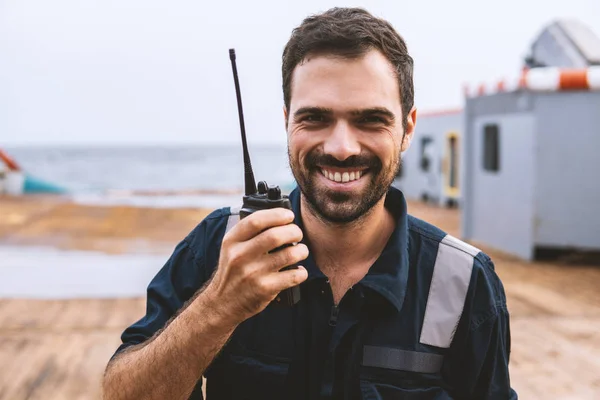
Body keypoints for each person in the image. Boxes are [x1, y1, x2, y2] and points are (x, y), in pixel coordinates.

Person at [102, 7, 517, 400]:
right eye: (315, 118)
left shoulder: (463, 282)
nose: (340, 148)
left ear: (407, 128)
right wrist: (218, 307)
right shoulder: (219, 246)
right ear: (287, 122)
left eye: (370, 119)